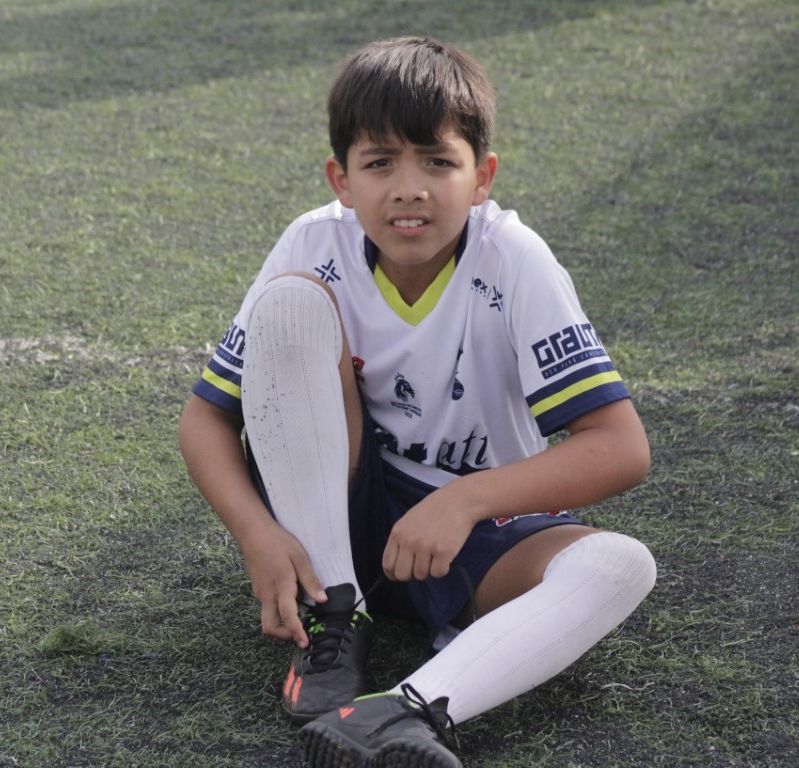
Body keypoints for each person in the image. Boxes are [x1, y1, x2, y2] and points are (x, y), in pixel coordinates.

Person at [178, 36, 656, 768]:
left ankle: (402, 713)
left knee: (618, 565)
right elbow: (206, 418)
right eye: (380, 163)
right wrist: (256, 534)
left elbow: (621, 448)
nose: (409, 188)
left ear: (481, 176)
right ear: (341, 179)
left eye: (437, 161)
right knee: (290, 304)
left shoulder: (514, 259)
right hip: (340, 514)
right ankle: (334, 611)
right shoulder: (313, 242)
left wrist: (464, 501)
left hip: (479, 535)